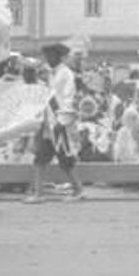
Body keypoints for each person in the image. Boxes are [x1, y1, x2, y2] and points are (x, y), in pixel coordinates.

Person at [27, 40, 85, 203]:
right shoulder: (51, 73)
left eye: (50, 55)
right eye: (46, 56)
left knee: (66, 160)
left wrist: (63, 120)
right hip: (49, 123)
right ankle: (38, 194)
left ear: (57, 57)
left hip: (60, 124)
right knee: (40, 159)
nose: (47, 58)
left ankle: (78, 190)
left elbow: (68, 98)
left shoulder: (65, 73)